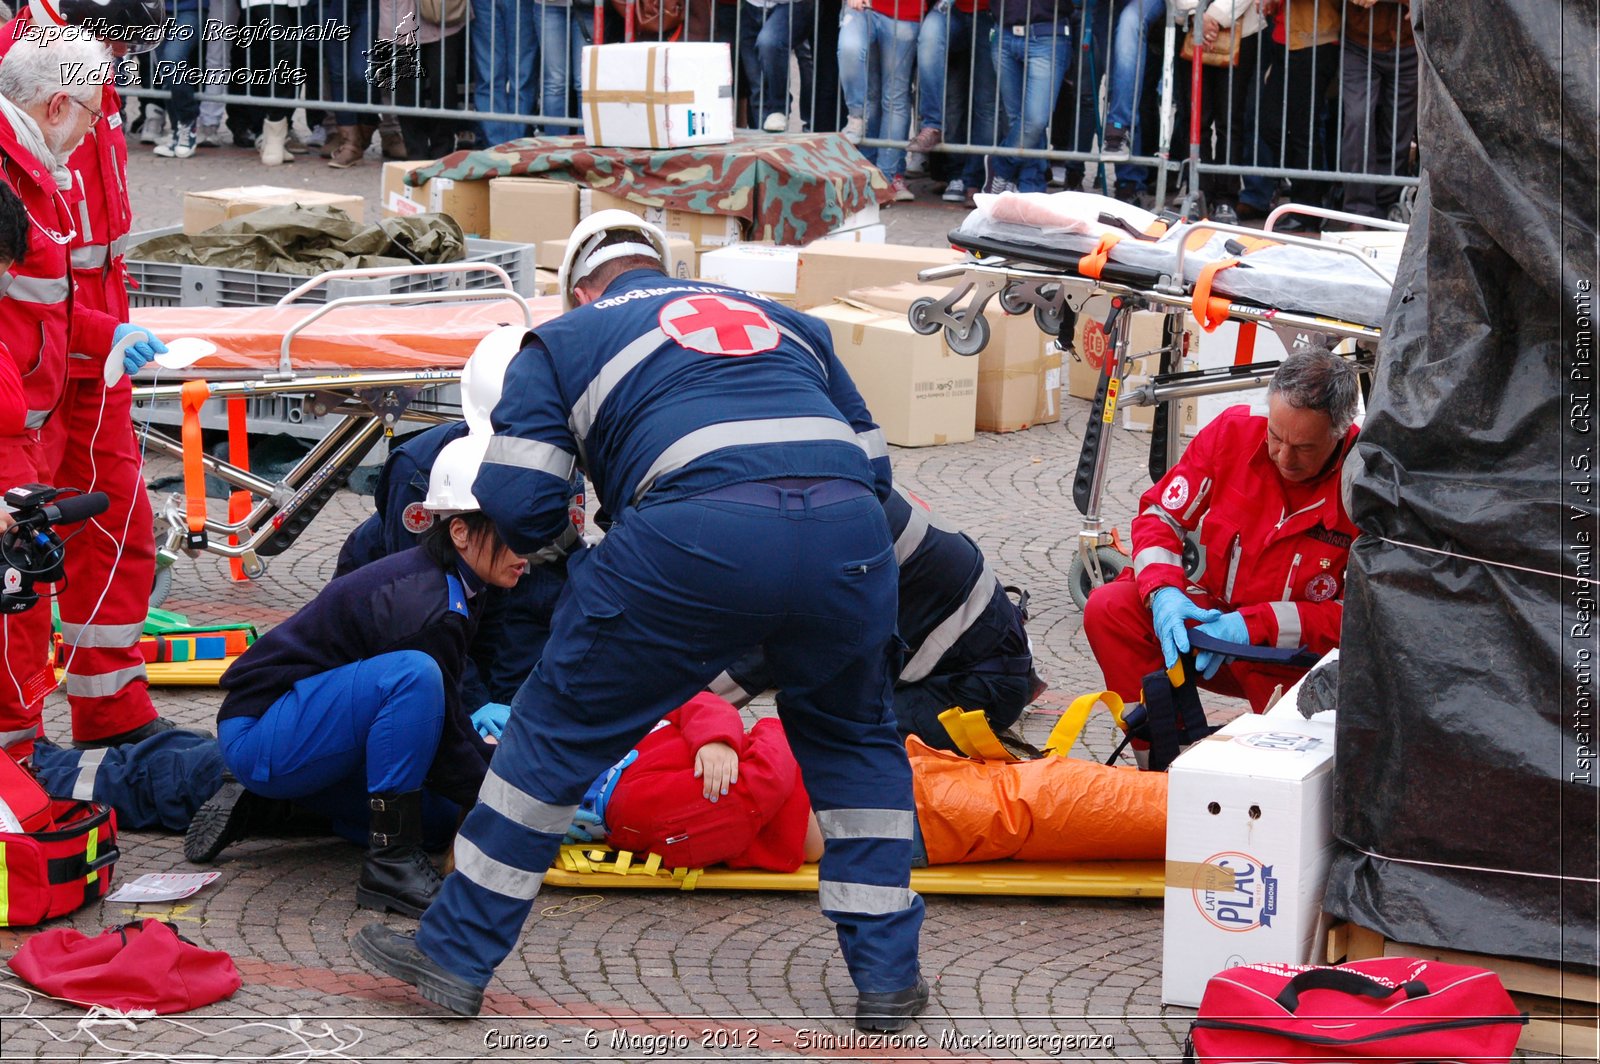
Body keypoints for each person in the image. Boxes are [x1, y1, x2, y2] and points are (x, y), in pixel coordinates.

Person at [352, 210, 928, 1033]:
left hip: (689, 534)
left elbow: (522, 502)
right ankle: (888, 980)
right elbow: (874, 468)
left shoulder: (563, 340)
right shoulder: (789, 322)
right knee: (854, 743)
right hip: (849, 536)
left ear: (582, 287)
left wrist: (611, 555)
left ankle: (453, 956)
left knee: (552, 737)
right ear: (660, 265)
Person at [203, 435, 516, 917]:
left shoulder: (456, 577)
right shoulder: (429, 605)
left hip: (302, 722)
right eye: (514, 531)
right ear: (460, 531)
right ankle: (389, 867)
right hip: (260, 731)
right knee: (414, 677)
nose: (529, 547)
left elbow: (447, 722)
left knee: (433, 822)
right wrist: (509, 798)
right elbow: (446, 735)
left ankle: (292, 807)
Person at [2, 0, 179, 751]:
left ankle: (111, 712)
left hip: (82, 334)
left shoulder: (77, 65)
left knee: (119, 524)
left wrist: (108, 329)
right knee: (26, 560)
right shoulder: (38, 66)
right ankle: (19, 741)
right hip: (36, 362)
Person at [574, 691, 1166, 872]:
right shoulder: (636, 805)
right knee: (1047, 799)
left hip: (882, 781)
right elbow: (764, 778)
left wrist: (718, 736)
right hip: (883, 811)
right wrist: (756, 734)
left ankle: (1219, 802)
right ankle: (1219, 812)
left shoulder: (629, 766)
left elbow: (690, 698)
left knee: (1049, 791)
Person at [1083, 349, 1359, 716]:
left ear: (1340, 432)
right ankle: (1160, 758)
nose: (1284, 458)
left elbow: (1360, 614)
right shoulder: (1234, 432)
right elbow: (1160, 515)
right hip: (1215, 625)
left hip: (1298, 656)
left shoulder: (1366, 478)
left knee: (1287, 756)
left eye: (1305, 447)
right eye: (1276, 436)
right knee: (1109, 608)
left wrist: (1256, 626)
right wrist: (1164, 592)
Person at [711, 484, 1043, 753]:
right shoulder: (836, 488)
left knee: (823, 737)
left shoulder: (830, 536)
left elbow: (759, 658)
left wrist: (675, 715)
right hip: (959, 656)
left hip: (975, 690)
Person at [911, 0, 998, 205]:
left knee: (986, 103)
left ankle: (975, 180)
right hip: (948, 9)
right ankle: (955, 173)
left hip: (990, 14)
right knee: (952, 99)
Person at [984, 0, 1073, 194]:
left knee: (1034, 121)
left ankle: (1000, 165)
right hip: (1004, 31)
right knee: (1020, 120)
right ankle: (1030, 187)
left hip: (1047, 31)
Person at [1338, 0, 1414, 222]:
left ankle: (1385, 206)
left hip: (1409, 44)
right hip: (1359, 43)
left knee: (1399, 129)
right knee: (1357, 119)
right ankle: (1358, 211)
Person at [838, 0, 920, 200]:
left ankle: (887, 177)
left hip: (905, 11)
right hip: (864, 8)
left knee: (894, 97)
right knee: (873, 92)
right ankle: (869, 173)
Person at [741, 0, 814, 133]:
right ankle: (763, 144)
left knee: (770, 43)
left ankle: (779, 109)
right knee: (757, 84)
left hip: (791, 5)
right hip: (752, 6)